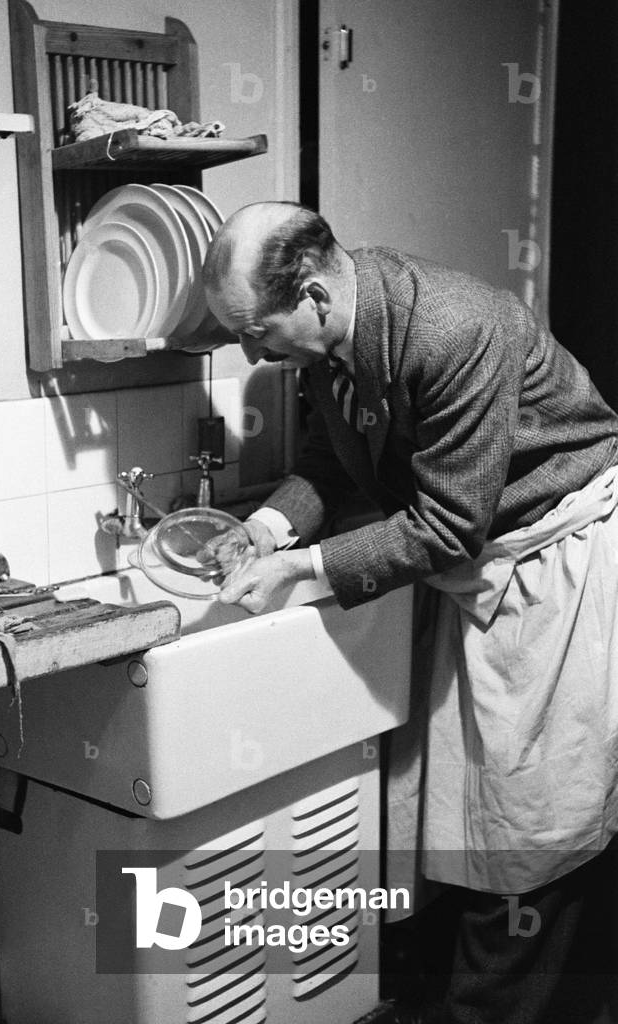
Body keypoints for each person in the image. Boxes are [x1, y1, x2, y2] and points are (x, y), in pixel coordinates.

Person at [202, 200, 618, 1023]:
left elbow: (446, 522)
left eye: (254, 330)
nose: (249, 352)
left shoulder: (453, 328)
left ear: (314, 295)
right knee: (452, 805)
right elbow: (333, 458)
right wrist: (266, 525)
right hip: (474, 566)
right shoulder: (333, 341)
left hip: (552, 559)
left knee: (529, 817)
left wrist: (305, 566)